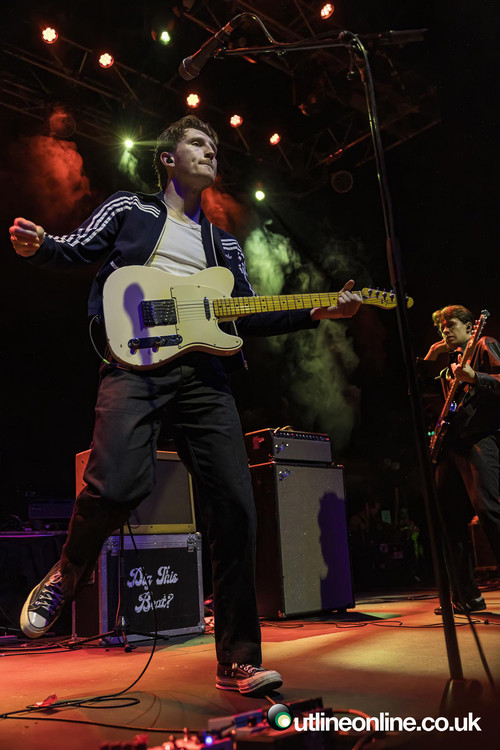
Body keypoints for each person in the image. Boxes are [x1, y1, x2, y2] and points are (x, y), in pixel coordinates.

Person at [9, 115, 362, 696]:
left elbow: (247, 312)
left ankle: (238, 659)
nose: (210, 152)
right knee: (116, 485)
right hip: (134, 360)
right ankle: (67, 573)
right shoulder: (130, 208)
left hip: (205, 375)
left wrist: (317, 311)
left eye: (214, 146)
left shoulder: (224, 244)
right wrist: (42, 245)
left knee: (236, 509)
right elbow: (77, 248)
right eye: (198, 143)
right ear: (168, 158)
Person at [418, 305, 500, 614]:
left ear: (469, 326)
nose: (445, 330)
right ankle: (466, 596)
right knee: (449, 520)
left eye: (450, 324)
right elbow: (417, 392)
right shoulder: (446, 370)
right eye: (441, 327)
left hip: (480, 438)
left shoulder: (484, 345)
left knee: (488, 509)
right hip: (452, 446)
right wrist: (430, 355)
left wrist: (475, 377)